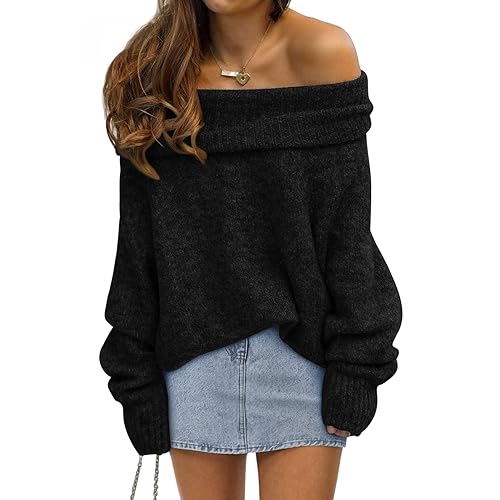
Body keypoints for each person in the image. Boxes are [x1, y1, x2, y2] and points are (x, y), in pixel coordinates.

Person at [98, 1, 403, 499]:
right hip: (189, 363)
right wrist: (135, 377)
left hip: (303, 359)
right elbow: (137, 244)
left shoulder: (323, 52)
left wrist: (357, 365)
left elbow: (347, 230)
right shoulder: (151, 68)